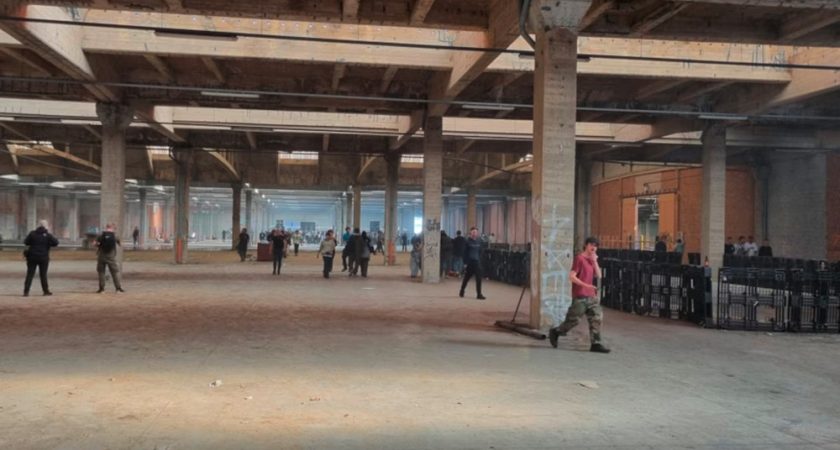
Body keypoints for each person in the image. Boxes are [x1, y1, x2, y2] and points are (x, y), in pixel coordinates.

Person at [549, 237, 610, 353]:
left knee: (597, 318)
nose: (593, 247)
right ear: (586, 245)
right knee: (573, 320)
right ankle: (556, 331)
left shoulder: (592, 260)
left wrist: (594, 261)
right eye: (591, 244)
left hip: (591, 296)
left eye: (596, 246)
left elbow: (599, 275)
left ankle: (596, 343)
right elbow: (572, 277)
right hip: (580, 295)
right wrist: (586, 285)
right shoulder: (579, 259)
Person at [23, 219, 58, 297]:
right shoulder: (48, 235)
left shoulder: (32, 234)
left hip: (32, 257)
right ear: (46, 227)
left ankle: (26, 292)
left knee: (30, 274)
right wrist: (48, 243)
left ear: (38, 226)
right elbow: (56, 243)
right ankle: (45, 291)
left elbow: (26, 242)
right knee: (43, 275)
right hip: (43, 257)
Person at [96, 223, 124, 293]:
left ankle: (102, 289)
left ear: (106, 227)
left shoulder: (101, 235)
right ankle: (118, 288)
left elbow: (95, 244)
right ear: (112, 227)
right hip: (111, 257)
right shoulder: (115, 235)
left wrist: (99, 245)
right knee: (114, 272)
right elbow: (120, 244)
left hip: (101, 256)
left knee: (101, 272)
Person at [458, 227, 485, 300]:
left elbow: (481, 251)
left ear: (477, 233)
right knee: (466, 278)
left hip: (477, 262)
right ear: (470, 233)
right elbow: (464, 253)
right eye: (473, 232)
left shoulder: (479, 241)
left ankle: (479, 294)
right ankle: (462, 290)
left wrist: (480, 260)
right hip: (470, 263)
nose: (474, 233)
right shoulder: (467, 241)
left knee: (479, 278)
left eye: (475, 232)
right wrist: (465, 263)